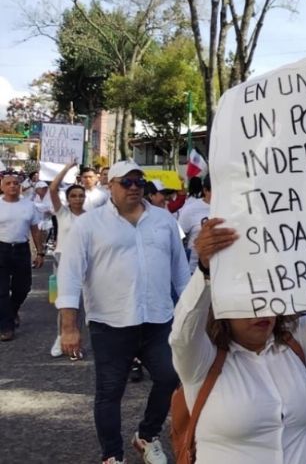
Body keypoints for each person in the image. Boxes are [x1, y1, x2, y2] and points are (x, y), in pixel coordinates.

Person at [170, 218, 306, 463]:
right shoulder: (200, 360)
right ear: (221, 308)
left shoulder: (295, 344)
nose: (262, 312)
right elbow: (183, 332)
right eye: (248, 303)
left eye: (268, 299)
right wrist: (206, 272)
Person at [56, 160, 192, 464]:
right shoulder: (88, 225)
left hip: (158, 319)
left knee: (170, 376)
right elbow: (70, 275)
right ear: (110, 186)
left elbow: (181, 274)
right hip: (111, 321)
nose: (134, 187)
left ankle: (146, 435)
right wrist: (69, 326)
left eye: (138, 182)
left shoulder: (164, 220)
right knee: (110, 391)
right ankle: (112, 455)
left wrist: (192, 315)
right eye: (126, 182)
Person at [47, 160, 86, 358]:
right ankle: (60, 336)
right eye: (73, 196)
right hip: (62, 260)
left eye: (81, 196)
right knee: (64, 302)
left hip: (84, 262)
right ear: (68, 199)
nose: (77, 199)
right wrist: (67, 168)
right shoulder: (62, 214)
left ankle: (75, 343)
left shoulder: (90, 217)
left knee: (80, 304)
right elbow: (53, 189)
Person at [0, 170, 45, 341]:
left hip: (21, 249)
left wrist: (40, 252)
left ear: (20, 186)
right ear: (2, 187)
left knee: (23, 287)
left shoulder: (28, 205)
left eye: (16, 183)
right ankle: (6, 327)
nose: (12, 186)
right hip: (1, 248)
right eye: (8, 183)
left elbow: (35, 229)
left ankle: (12, 311)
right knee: (2, 291)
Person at [177, 175, 210, 272]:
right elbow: (177, 237)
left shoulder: (231, 209)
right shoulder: (190, 210)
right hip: (195, 271)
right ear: (205, 190)